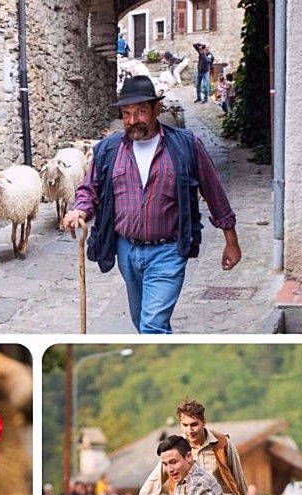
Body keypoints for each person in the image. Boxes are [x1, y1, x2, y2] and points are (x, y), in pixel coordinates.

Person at [63, 76, 241, 334]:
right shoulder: (109, 149)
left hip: (168, 251)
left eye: (140, 111)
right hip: (127, 250)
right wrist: (79, 208)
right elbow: (90, 188)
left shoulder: (186, 145)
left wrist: (231, 241)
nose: (133, 120)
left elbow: (214, 193)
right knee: (141, 321)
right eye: (126, 113)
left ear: (157, 109)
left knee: (152, 326)